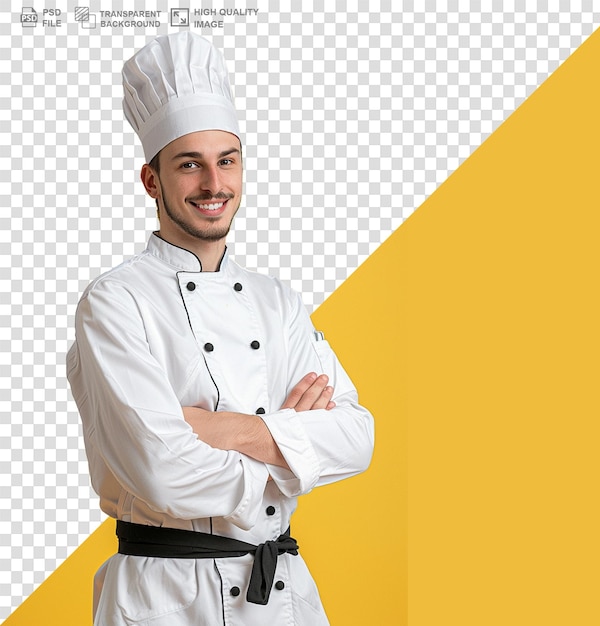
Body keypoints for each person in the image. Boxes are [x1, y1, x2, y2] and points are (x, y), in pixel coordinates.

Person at [66, 31, 374, 626]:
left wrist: (218, 428)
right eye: (190, 165)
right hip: (164, 599)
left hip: (283, 598)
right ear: (152, 181)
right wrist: (293, 448)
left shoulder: (276, 299)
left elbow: (358, 436)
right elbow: (161, 471)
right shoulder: (115, 302)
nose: (214, 184)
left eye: (226, 161)